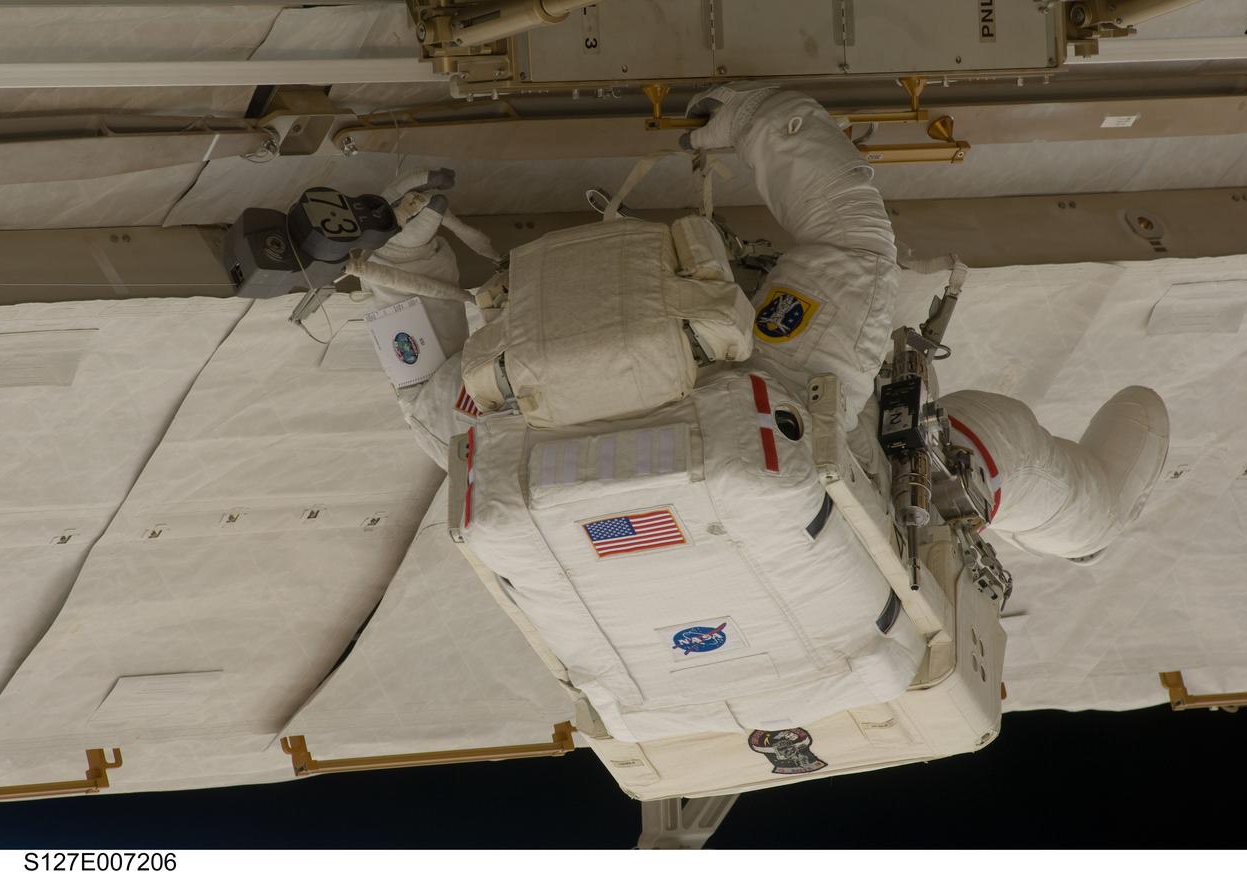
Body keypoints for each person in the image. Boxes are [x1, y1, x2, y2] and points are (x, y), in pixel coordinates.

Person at [364, 84, 1170, 567]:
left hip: (760, 498)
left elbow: (418, 367)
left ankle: (1088, 525)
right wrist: (763, 121)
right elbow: (849, 240)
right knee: (1044, 477)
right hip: (837, 470)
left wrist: (402, 246)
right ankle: (1089, 529)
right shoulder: (777, 375)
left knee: (1024, 457)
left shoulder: (473, 427)